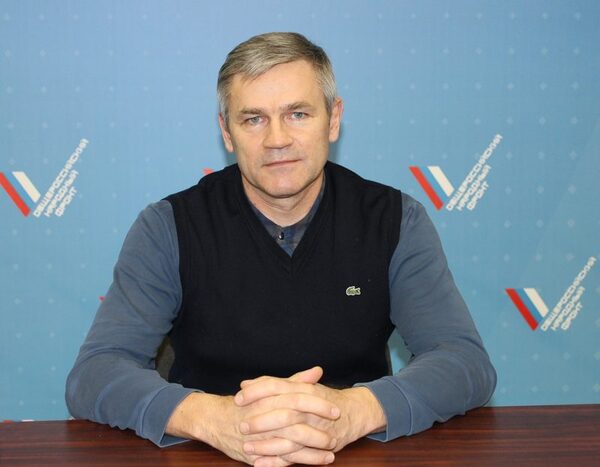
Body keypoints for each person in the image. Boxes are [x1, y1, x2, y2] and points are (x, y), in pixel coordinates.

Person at [66, 32, 496, 466]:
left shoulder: (395, 219)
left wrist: (351, 412)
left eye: (298, 114)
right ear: (227, 132)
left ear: (333, 119)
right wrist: (213, 418)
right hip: (209, 454)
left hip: (353, 452)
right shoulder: (168, 227)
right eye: (253, 119)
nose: (277, 139)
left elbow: (464, 363)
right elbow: (96, 372)